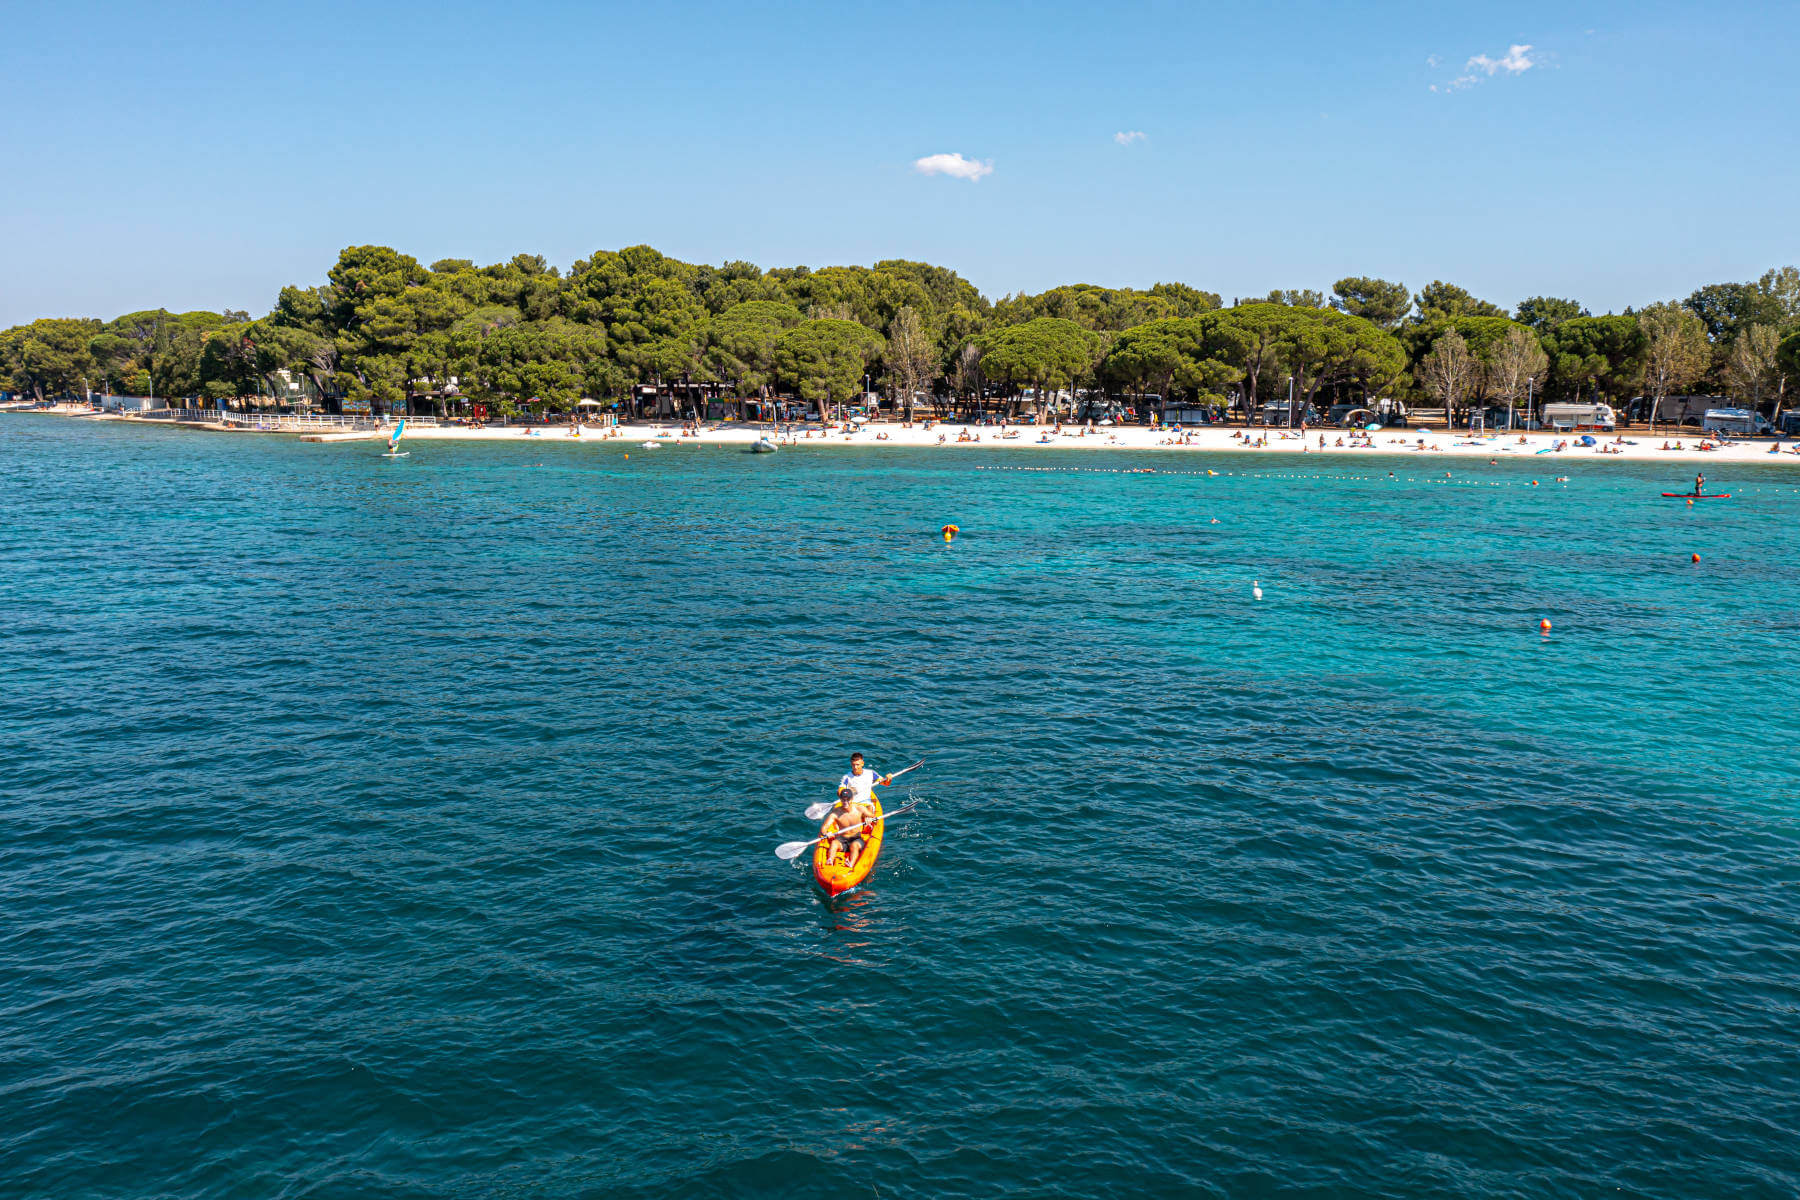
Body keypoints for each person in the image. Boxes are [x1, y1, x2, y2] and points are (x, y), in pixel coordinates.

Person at [819, 785, 879, 872]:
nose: (845, 801)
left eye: (848, 799)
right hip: (841, 839)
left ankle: (850, 864)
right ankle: (830, 861)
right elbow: (824, 828)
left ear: (852, 799)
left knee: (854, 846)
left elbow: (875, 818)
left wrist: (870, 819)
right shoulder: (836, 813)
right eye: (843, 799)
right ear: (840, 799)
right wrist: (826, 833)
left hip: (857, 838)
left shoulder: (860, 809)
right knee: (834, 843)